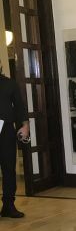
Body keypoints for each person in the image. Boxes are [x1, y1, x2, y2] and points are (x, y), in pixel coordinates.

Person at [0, 65, 29, 218]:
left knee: (9, 168)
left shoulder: (10, 83)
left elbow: (19, 106)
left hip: (5, 131)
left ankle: (8, 205)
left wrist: (25, 125)